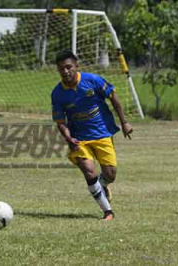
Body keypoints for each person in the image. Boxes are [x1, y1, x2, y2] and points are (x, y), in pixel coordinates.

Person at [51, 50, 133, 220]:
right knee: (89, 171)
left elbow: (113, 97)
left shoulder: (93, 80)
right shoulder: (57, 94)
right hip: (79, 139)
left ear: (76, 66)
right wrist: (68, 138)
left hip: (102, 133)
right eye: (61, 69)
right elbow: (60, 122)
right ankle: (107, 211)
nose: (66, 72)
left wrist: (124, 122)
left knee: (110, 174)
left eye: (68, 67)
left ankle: (102, 184)